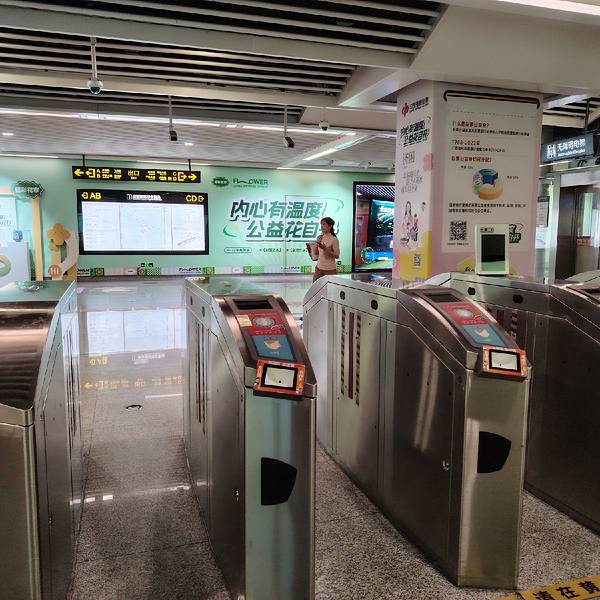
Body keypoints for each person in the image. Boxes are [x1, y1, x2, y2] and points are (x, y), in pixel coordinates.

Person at [311, 217, 340, 281]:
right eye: (321, 224)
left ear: (330, 226)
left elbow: (337, 256)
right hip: (318, 268)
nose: (321, 226)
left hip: (330, 270)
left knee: (330, 287)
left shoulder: (334, 239)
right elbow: (316, 252)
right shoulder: (320, 237)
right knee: (315, 286)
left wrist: (325, 249)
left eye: (324, 224)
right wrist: (317, 242)